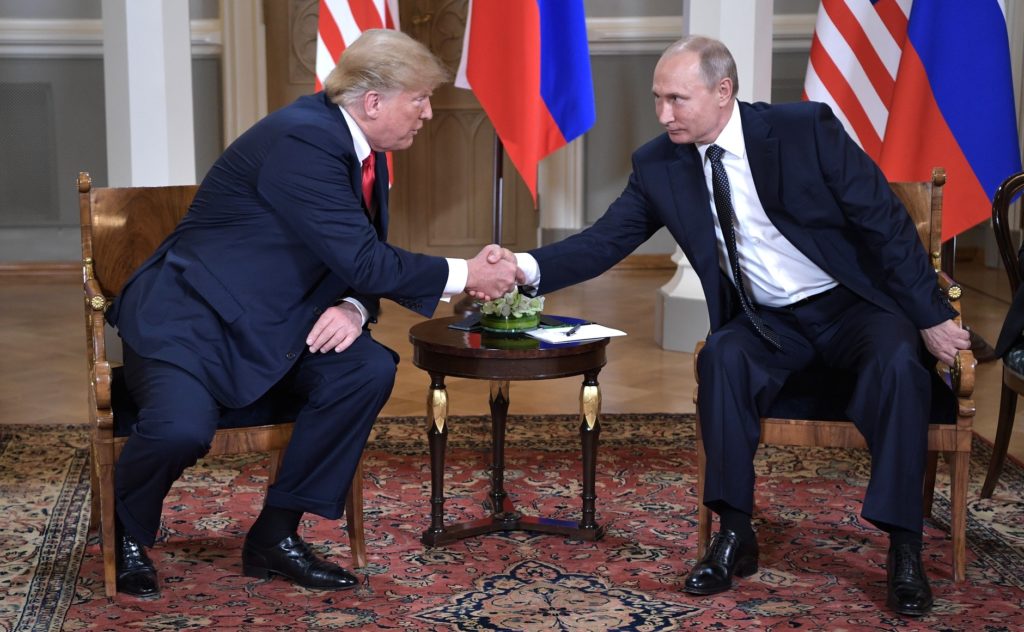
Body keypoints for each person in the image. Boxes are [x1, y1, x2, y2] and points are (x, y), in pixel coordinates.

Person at [506, 35, 970, 616]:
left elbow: (887, 226)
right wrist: (524, 268)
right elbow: (604, 241)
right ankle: (734, 532)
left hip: (852, 306)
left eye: (677, 99)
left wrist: (930, 315)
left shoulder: (804, 131)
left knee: (898, 363)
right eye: (657, 99)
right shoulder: (659, 164)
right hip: (767, 320)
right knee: (721, 357)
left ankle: (903, 547)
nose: (663, 114)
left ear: (723, 91)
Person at [105, 29, 518, 599]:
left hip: (278, 319)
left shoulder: (361, 150)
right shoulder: (303, 140)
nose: (427, 113)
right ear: (373, 102)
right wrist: (467, 274)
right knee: (181, 428)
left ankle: (275, 535)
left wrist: (353, 306)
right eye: (420, 99)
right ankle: (125, 533)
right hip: (192, 321)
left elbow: (351, 256)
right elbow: (365, 258)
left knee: (364, 369)